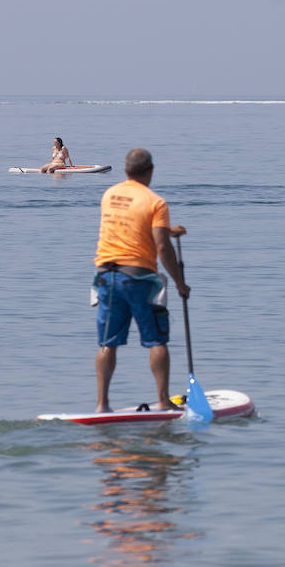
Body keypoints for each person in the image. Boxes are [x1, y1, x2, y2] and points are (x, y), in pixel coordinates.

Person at [93, 148, 190, 413]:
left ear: (126, 171)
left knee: (107, 343)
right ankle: (162, 401)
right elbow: (162, 248)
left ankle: (102, 405)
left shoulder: (109, 195)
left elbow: (131, 224)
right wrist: (180, 283)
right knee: (156, 340)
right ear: (151, 171)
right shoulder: (155, 202)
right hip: (138, 278)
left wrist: (169, 231)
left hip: (105, 276)